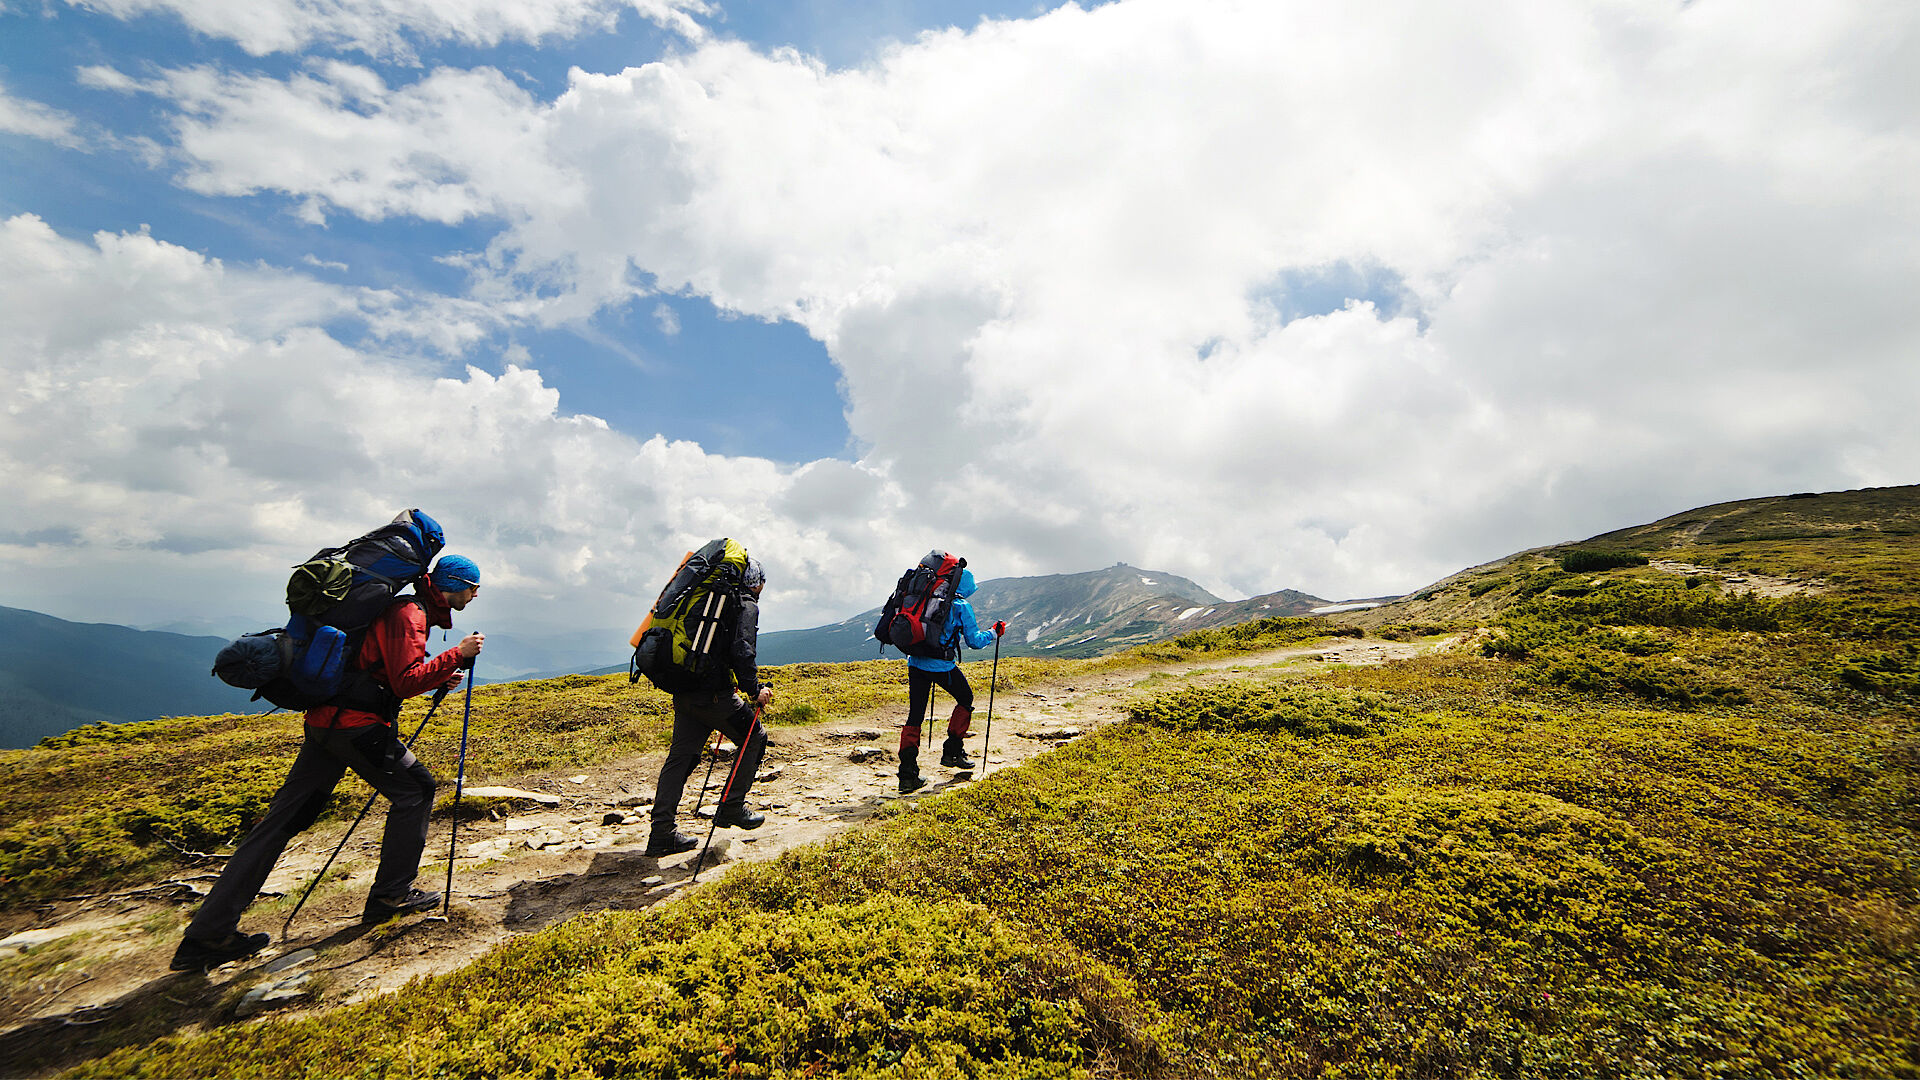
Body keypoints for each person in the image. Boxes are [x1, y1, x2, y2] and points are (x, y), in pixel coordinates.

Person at [170, 556, 485, 971]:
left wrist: (439, 673)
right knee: (417, 789)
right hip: (357, 727)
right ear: (455, 585)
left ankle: (207, 934)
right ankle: (391, 895)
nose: (476, 594)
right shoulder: (410, 613)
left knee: (281, 821)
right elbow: (405, 681)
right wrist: (455, 656)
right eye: (473, 587)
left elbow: (384, 669)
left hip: (325, 724)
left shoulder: (404, 609)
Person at [646, 557, 773, 857]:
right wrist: (755, 690)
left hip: (685, 690)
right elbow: (743, 649)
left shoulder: (706, 598)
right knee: (754, 737)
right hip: (714, 695)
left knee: (680, 758)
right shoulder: (743, 603)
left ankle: (661, 833)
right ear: (757, 582)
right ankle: (730, 807)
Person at [899, 566, 1005, 794]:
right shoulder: (960, 606)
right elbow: (975, 641)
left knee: (915, 715)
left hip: (916, 663)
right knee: (965, 698)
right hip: (941, 666)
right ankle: (953, 752)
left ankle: (907, 776)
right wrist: (994, 632)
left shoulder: (925, 599)